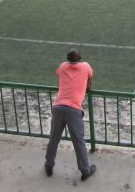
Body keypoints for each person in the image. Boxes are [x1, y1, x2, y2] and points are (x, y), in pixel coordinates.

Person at [44, 49, 96, 182]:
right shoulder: (85, 66)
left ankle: (49, 165)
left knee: (53, 138)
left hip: (58, 106)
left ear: (67, 59)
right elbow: (90, 77)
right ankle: (85, 170)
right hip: (73, 109)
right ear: (80, 58)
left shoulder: (62, 66)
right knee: (79, 141)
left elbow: (60, 73)